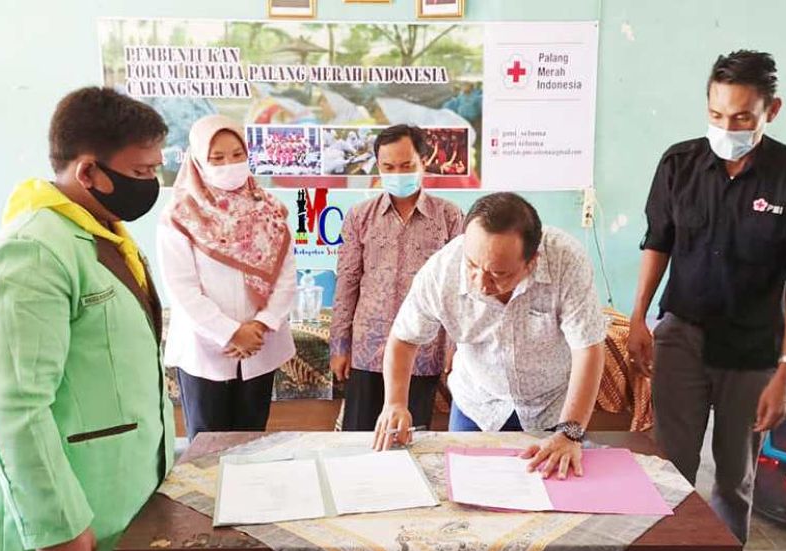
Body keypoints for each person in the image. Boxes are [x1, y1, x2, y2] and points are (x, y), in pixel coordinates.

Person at [627, 50, 786, 543]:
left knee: (734, 476)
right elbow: (658, 243)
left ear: (771, 110)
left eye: (741, 117)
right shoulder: (679, 163)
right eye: (716, 114)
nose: (727, 127)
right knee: (668, 466)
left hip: (753, 348)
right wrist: (638, 318)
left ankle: (722, 550)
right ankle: (666, 549)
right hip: (682, 334)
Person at [0, 87, 174, 551]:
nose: (152, 183)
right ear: (88, 172)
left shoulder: (103, 235)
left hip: (119, 498)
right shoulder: (31, 252)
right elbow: (14, 405)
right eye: (141, 172)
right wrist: (58, 526)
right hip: (67, 524)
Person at [373, 193, 608, 479]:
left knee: (555, 490)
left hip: (551, 407)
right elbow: (404, 337)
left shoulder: (566, 261)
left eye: (498, 274)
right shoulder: (441, 270)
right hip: (477, 405)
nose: (481, 284)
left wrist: (569, 433)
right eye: (472, 266)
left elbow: (588, 348)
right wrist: (395, 403)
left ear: (532, 261)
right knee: (466, 489)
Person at [158, 115, 296, 441]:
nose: (229, 165)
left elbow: (286, 276)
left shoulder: (270, 210)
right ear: (198, 161)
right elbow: (182, 289)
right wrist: (231, 333)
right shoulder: (180, 216)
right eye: (217, 158)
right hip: (204, 349)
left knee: (251, 442)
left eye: (237, 154)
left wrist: (260, 325)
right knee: (207, 446)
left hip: (260, 345)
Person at [329, 124, 463, 431]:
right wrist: (339, 345)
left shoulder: (450, 217)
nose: (397, 173)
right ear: (378, 166)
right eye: (388, 167)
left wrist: (454, 346)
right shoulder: (360, 216)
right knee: (358, 437)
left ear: (424, 162)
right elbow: (347, 282)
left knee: (409, 437)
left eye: (406, 165)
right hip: (368, 348)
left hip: (422, 349)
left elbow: (457, 289)